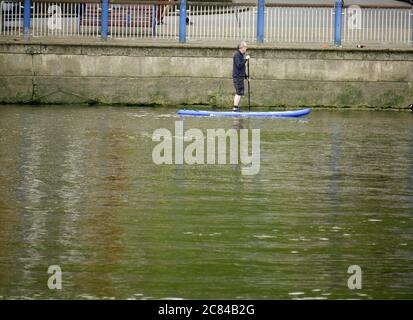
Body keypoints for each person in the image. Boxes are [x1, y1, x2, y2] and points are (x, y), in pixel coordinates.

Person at [232, 41, 250, 112]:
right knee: (239, 92)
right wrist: (245, 59)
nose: (246, 49)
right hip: (237, 77)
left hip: (240, 76)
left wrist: (246, 77)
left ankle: (236, 107)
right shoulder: (237, 55)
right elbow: (239, 65)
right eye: (245, 47)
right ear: (242, 47)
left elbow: (242, 68)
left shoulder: (241, 55)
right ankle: (235, 108)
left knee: (240, 92)